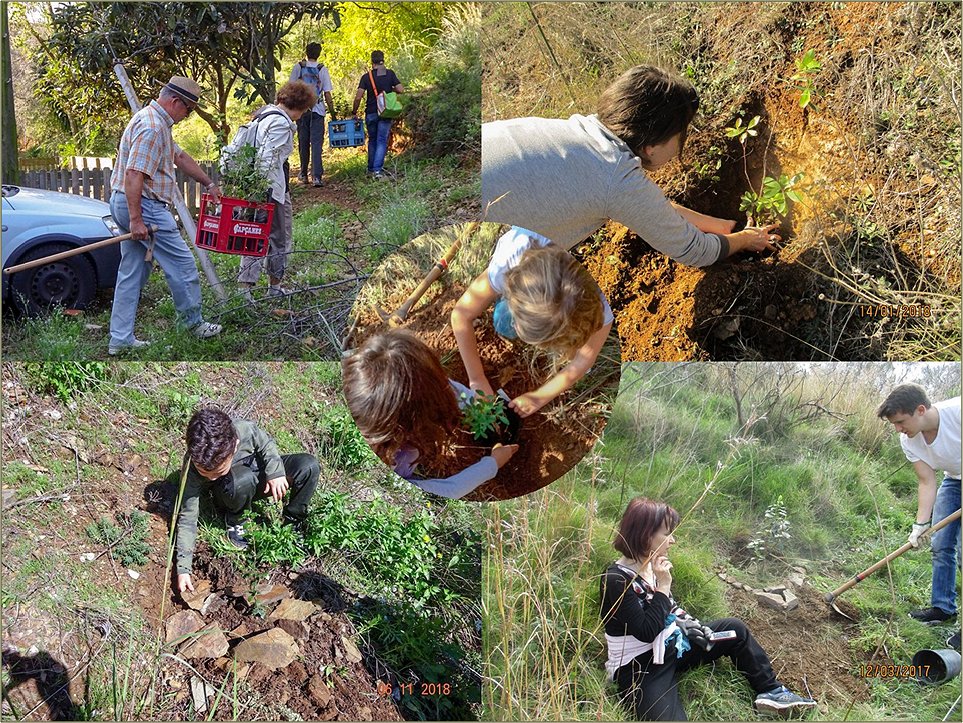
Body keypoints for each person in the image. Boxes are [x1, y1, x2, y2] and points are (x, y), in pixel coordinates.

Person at [482, 65, 781, 265]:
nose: (680, 145)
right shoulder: (613, 176)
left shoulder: (580, 135)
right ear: (651, 144)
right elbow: (694, 251)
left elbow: (648, 206)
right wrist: (744, 239)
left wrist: (722, 227)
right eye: (680, 136)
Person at [601, 497, 817, 720]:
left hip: (672, 646)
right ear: (646, 534)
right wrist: (664, 586)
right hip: (640, 666)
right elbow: (647, 631)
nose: (673, 540)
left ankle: (771, 691)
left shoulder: (651, 565)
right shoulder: (617, 580)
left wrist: (693, 626)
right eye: (667, 534)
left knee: (735, 629)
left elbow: (670, 608)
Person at [108, 75, 224, 355]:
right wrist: (136, 220)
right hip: (143, 206)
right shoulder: (151, 127)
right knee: (183, 265)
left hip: (128, 202)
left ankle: (120, 340)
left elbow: (180, 158)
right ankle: (193, 325)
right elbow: (134, 174)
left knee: (132, 272)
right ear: (175, 102)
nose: (188, 116)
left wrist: (208, 183)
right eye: (189, 109)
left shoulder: (156, 122)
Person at [452, 226, 613, 418]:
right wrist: (477, 380)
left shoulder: (605, 299)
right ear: (513, 287)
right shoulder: (511, 256)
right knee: (503, 322)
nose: (515, 327)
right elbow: (460, 315)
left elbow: (584, 359)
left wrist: (539, 397)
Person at [342, 329, 518, 499]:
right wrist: (492, 464)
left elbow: (440, 386)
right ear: (410, 423)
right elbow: (445, 491)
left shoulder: (361, 367)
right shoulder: (377, 475)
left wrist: (483, 406)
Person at [174, 408, 320, 595]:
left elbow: (266, 445)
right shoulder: (192, 467)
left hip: (253, 474)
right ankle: (236, 519)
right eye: (205, 474)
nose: (210, 478)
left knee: (308, 466)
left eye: (216, 472)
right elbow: (188, 517)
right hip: (229, 491)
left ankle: (292, 525)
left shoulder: (244, 430)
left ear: (234, 446)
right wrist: (183, 569)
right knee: (242, 480)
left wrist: (275, 472)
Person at [877, 384, 961, 649]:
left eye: (901, 421)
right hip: (954, 481)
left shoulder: (957, 413)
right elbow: (926, 481)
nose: (898, 429)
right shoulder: (909, 439)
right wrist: (921, 524)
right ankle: (943, 609)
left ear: (921, 410)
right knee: (941, 545)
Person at [236, 80, 317, 301]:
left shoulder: (262, 115)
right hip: (270, 189)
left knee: (252, 235)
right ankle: (275, 287)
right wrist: (270, 194)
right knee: (280, 237)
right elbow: (268, 159)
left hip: (254, 186)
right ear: (300, 105)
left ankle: (246, 288)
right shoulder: (281, 123)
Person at [289, 42, 335, 188]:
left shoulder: (299, 67)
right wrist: (332, 113)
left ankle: (303, 174)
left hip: (301, 110)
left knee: (303, 142)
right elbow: (327, 92)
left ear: (306, 52)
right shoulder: (322, 69)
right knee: (316, 143)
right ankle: (316, 176)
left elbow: (290, 88)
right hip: (318, 110)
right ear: (319, 54)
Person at [352, 50, 404, 179]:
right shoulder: (390, 74)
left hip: (370, 112)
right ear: (383, 60)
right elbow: (400, 90)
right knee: (382, 140)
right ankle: (377, 171)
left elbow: (358, 97)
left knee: (373, 140)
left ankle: (371, 169)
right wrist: (389, 89)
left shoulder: (366, 77)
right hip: (385, 112)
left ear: (372, 62)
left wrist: (354, 112)